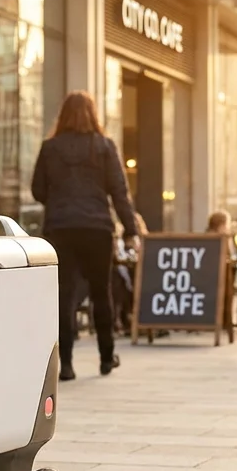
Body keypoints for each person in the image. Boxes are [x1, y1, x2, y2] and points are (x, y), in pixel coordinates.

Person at [31, 90, 140, 381]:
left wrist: (60, 199)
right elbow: (119, 191)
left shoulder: (50, 147)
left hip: (61, 227)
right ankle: (106, 357)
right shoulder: (104, 147)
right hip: (97, 228)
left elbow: (37, 190)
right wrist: (131, 230)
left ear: (63, 115)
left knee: (64, 295)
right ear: (93, 114)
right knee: (101, 291)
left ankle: (65, 364)